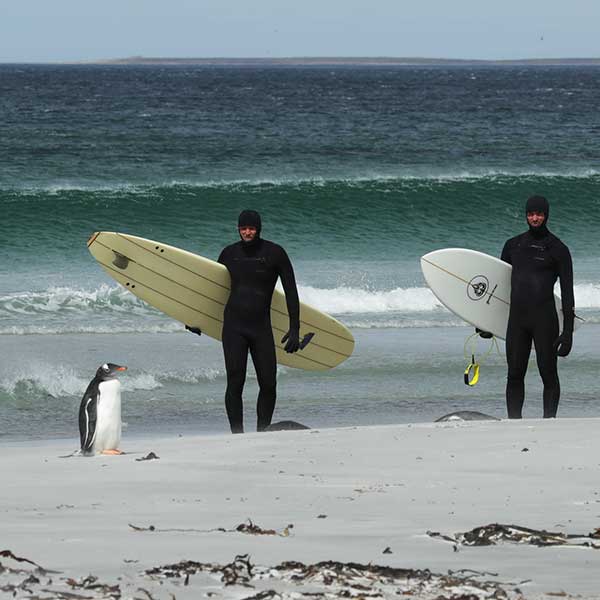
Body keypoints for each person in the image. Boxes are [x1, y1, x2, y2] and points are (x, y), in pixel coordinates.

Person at [188, 210, 301, 433]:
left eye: (251, 228)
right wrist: (196, 319)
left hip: (261, 327)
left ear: (258, 229)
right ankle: (237, 433)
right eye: (243, 228)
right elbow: (213, 291)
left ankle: (262, 430)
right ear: (238, 228)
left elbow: (290, 291)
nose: (247, 232)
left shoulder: (275, 253)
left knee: (268, 383)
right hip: (234, 327)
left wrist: (295, 327)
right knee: (235, 382)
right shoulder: (229, 253)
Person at [499, 195, 574, 419]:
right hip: (517, 321)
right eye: (531, 213)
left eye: (539, 213)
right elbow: (498, 286)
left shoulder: (558, 249)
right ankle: (514, 422)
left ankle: (549, 422)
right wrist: (484, 321)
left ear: (546, 215)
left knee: (548, 374)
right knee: (514, 374)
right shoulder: (513, 246)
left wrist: (567, 332)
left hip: (545, 320)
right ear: (526, 215)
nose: (535, 218)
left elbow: (568, 293)